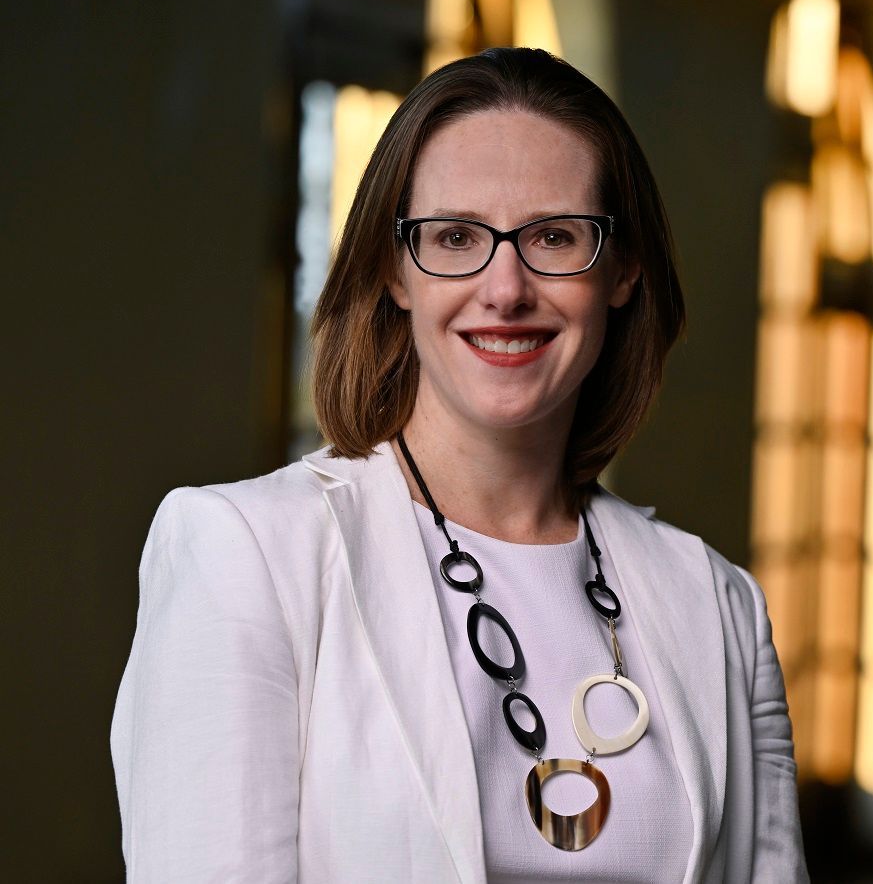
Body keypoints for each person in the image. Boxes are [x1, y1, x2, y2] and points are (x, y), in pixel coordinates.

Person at [111, 47, 807, 882]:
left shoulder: (721, 607)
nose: (504, 288)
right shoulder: (248, 557)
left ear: (622, 271)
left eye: (554, 236)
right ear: (392, 270)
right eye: (454, 237)